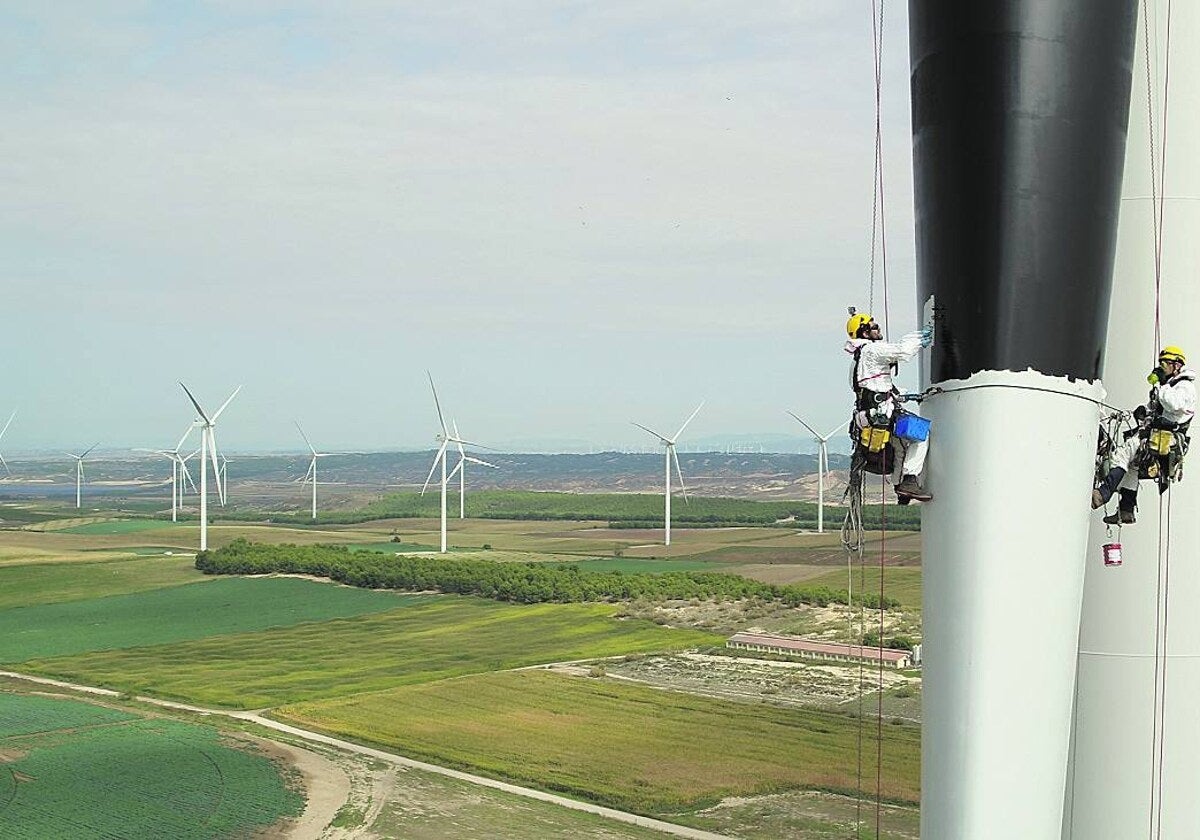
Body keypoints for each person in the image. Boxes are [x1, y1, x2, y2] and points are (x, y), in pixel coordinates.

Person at [1092, 345, 1196, 524]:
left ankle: (1102, 494)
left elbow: (1174, 404)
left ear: (1176, 365)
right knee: (1132, 467)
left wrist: (1162, 385)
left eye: (1165, 363)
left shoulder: (1185, 386)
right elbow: (1159, 408)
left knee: (1120, 456)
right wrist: (1145, 411)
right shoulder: (1171, 385)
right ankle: (1126, 510)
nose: (1161, 367)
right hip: (1156, 434)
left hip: (1164, 437)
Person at [845, 311, 934, 502]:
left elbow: (874, 387)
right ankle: (909, 480)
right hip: (881, 412)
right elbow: (902, 351)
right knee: (921, 436)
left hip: (869, 416)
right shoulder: (872, 350)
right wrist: (920, 337)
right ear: (865, 332)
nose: (878, 328)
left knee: (900, 445)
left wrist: (905, 396)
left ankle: (900, 487)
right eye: (874, 326)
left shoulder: (858, 359)